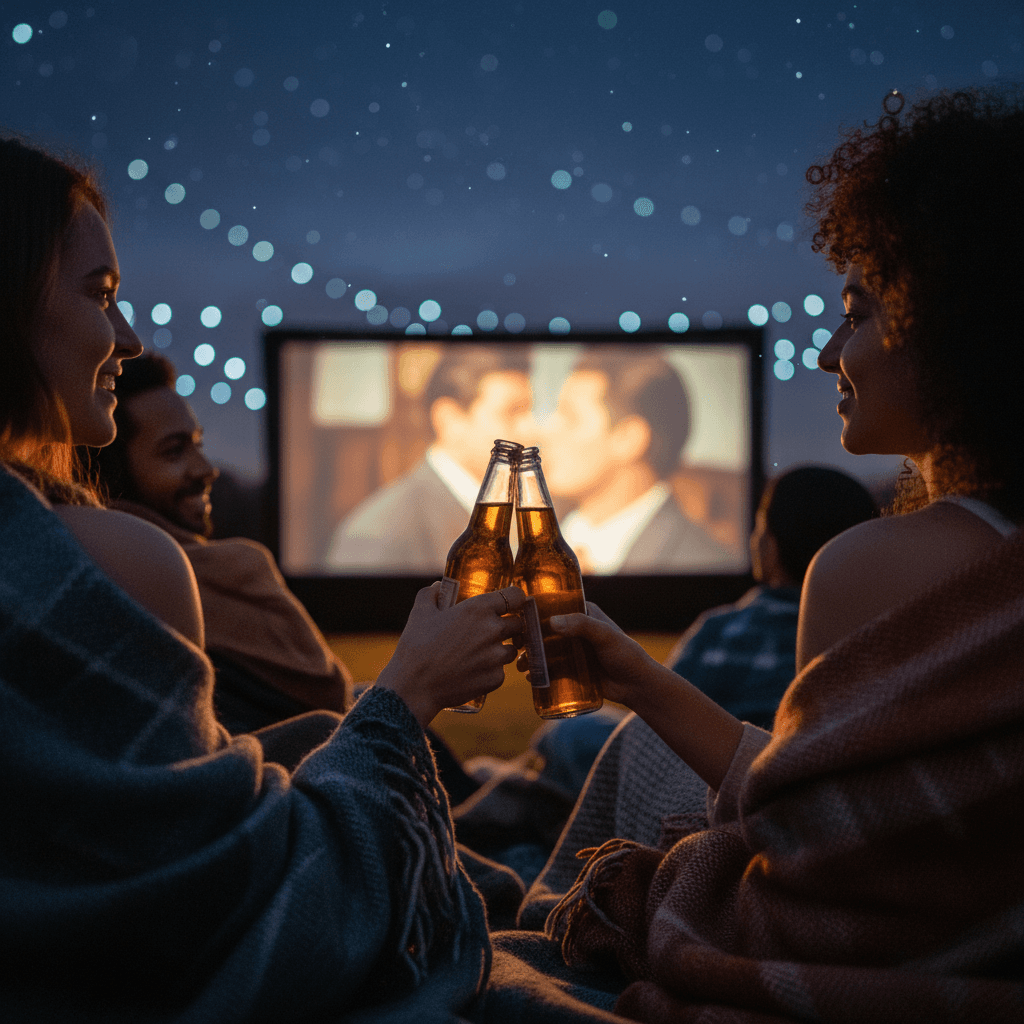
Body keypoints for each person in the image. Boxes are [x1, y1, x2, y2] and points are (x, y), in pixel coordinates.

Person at [473, 88, 1024, 1023]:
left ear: (950, 321)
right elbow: (845, 807)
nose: (827, 354)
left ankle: (510, 922)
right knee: (634, 732)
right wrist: (638, 676)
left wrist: (664, 887)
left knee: (590, 832)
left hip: (849, 973)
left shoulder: (873, 567)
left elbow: (808, 879)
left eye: (856, 312)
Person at [0, 133, 528, 1021]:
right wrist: (411, 690)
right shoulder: (117, 566)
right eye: (101, 296)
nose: (126, 338)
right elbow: (245, 917)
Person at [89, 351, 354, 734]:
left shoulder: (83, 564)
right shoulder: (222, 573)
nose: (206, 468)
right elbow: (330, 693)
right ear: (109, 474)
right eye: (174, 451)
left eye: (197, 444)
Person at [666, 464, 878, 727]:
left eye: (760, 524)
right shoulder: (875, 639)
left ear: (770, 544)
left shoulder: (717, 632)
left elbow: (656, 723)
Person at [326, 345, 534, 573]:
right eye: (512, 412)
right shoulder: (380, 533)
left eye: (529, 411)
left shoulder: (518, 507)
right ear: (449, 420)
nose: (530, 430)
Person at [542, 346, 737, 573]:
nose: (546, 430)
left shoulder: (705, 566)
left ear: (629, 438)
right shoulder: (531, 539)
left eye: (570, 417)